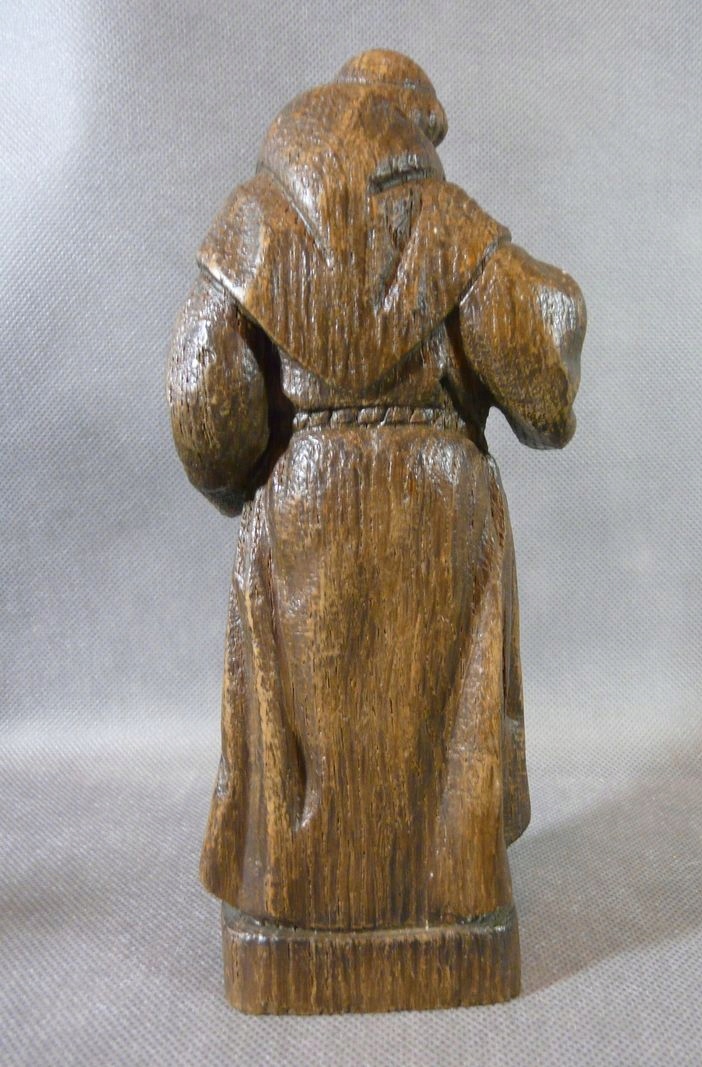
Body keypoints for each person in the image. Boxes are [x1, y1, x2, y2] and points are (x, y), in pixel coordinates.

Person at [168, 50, 585, 1012]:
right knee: (444, 731)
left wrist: (246, 482)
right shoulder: (450, 224)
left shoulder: (253, 224)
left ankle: (295, 918)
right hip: (435, 503)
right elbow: (538, 385)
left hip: (303, 506)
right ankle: (447, 907)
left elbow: (204, 409)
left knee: (301, 744)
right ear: (414, 128)